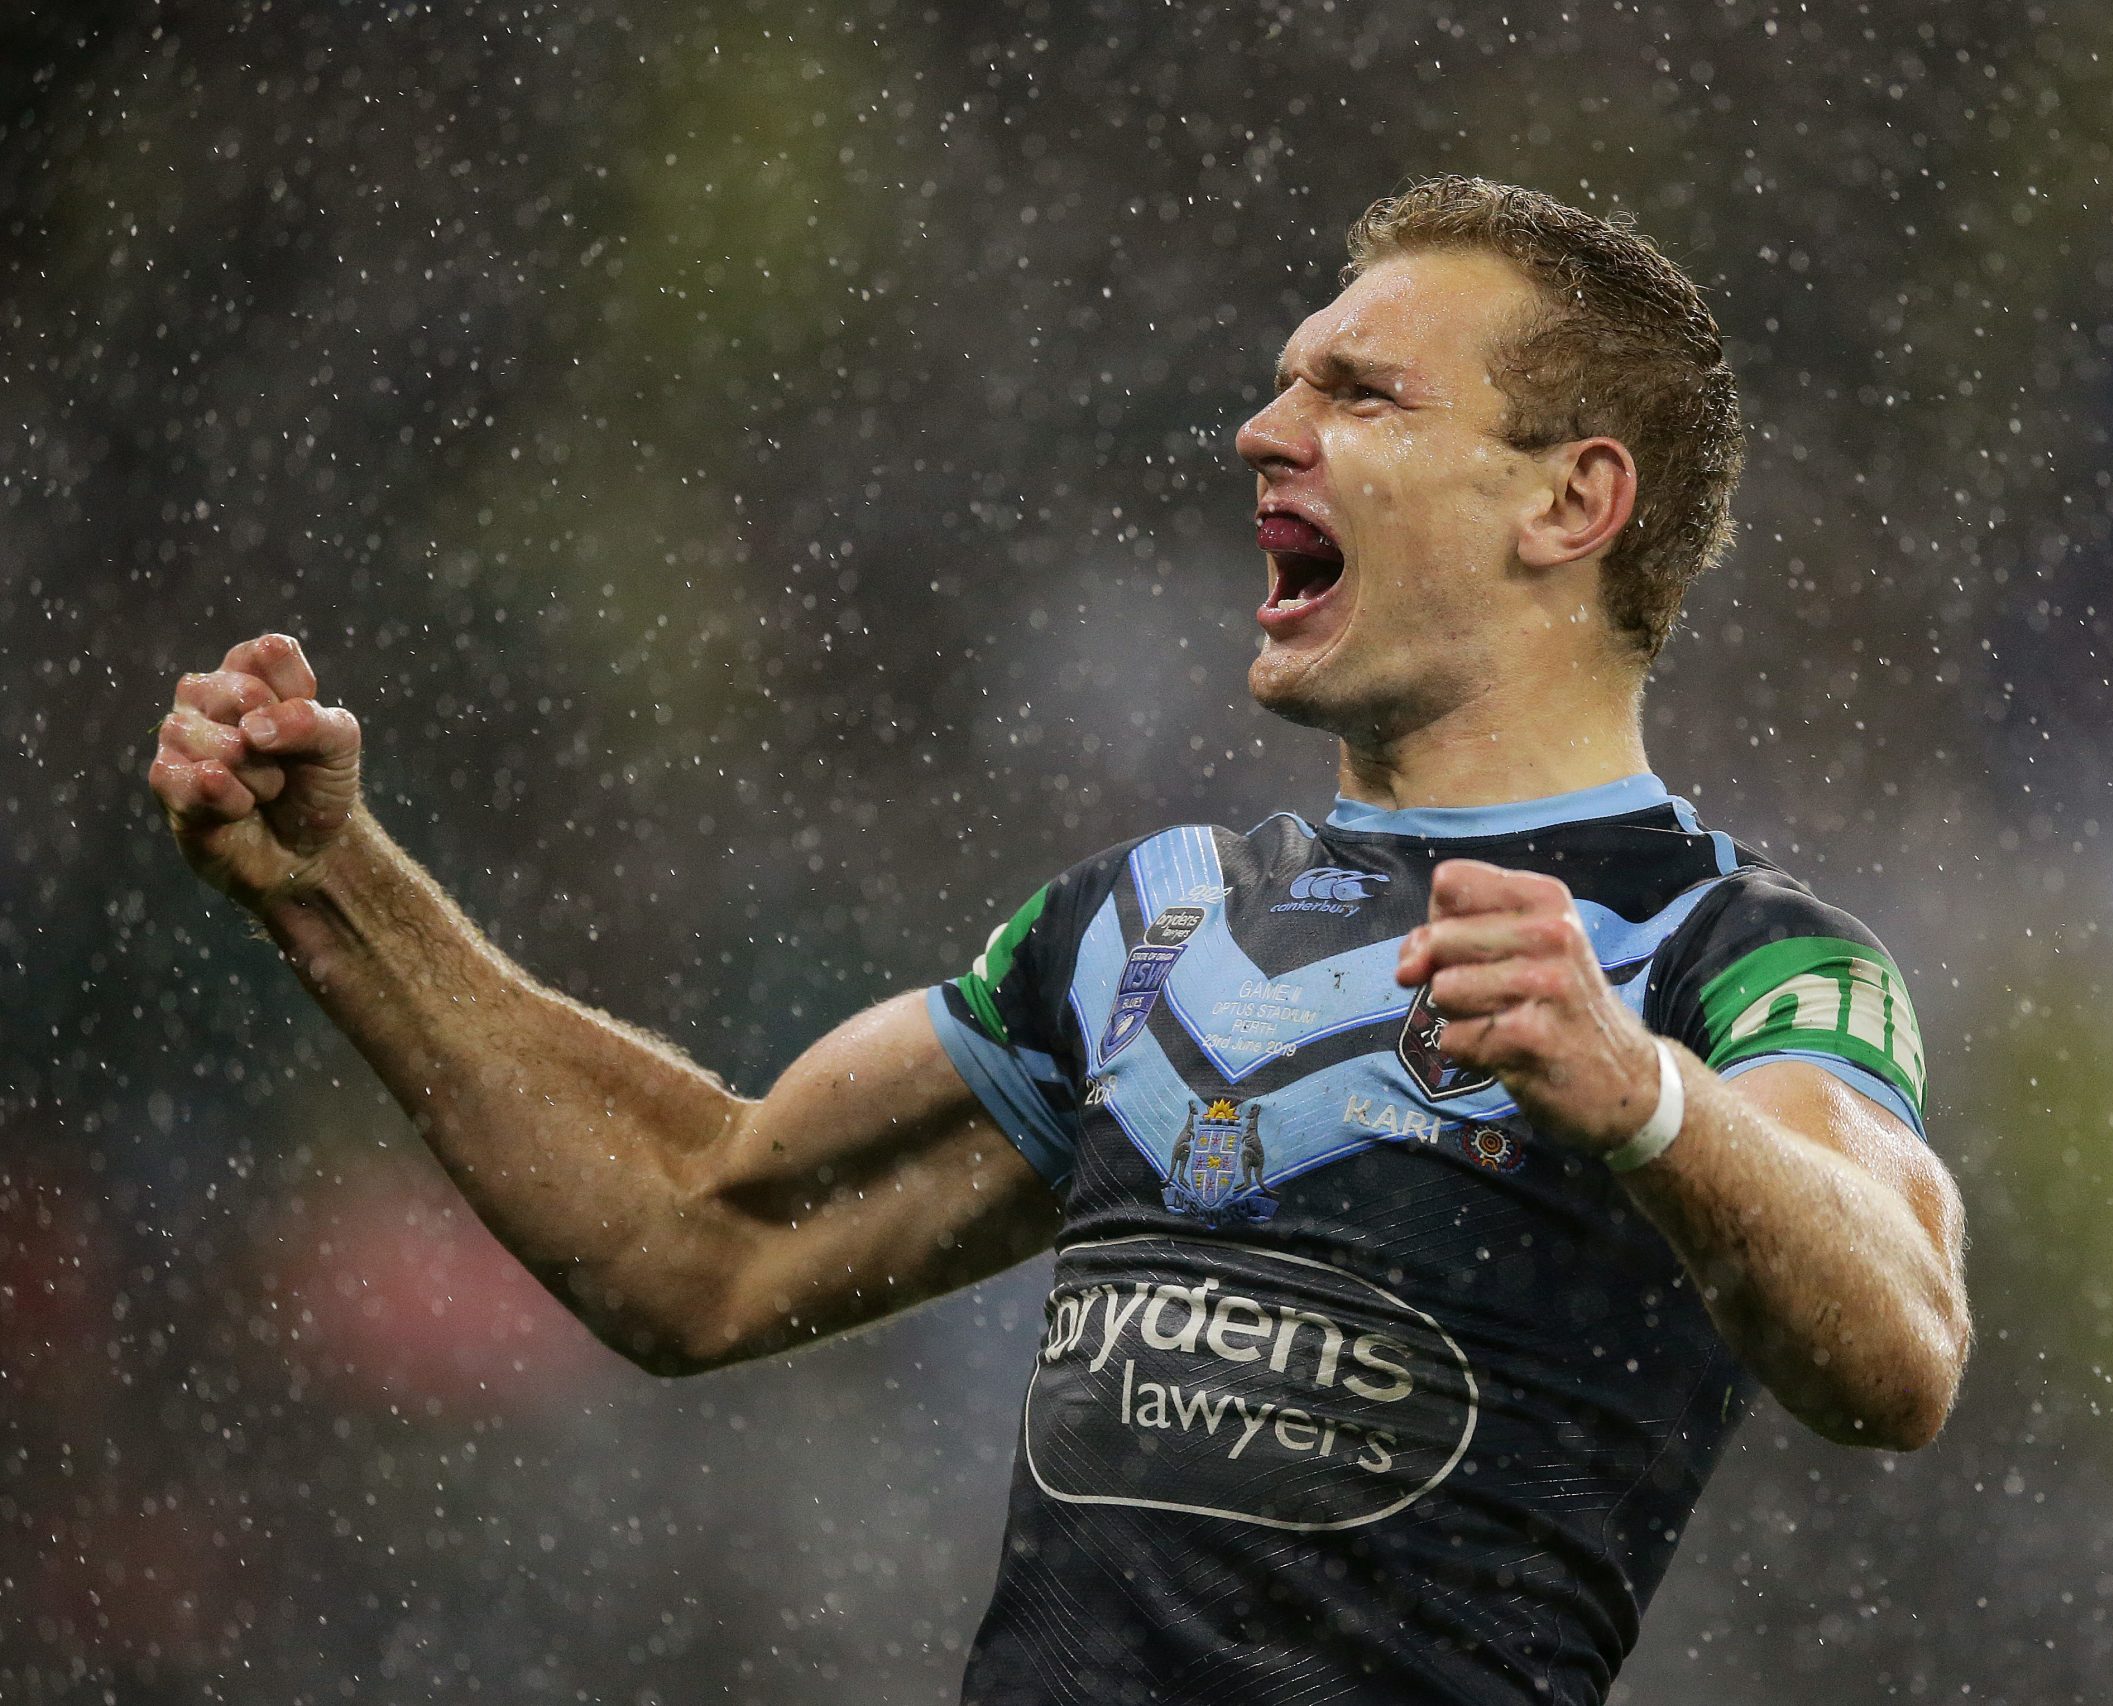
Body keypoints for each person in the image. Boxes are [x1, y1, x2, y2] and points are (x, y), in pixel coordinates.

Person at [148, 176, 1969, 1705]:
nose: (1268, 430)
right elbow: (690, 1237)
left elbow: (1901, 1344)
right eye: (1281, 384)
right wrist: (333, 884)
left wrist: (1643, 1095)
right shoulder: (1144, 925)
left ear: (1572, 501)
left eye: (1359, 392)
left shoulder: (1725, 954)